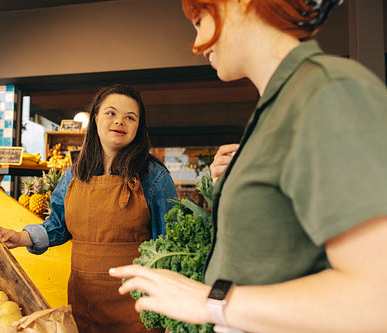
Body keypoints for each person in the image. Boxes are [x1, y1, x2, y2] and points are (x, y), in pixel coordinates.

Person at [109, 1, 387, 332]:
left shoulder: (329, 89)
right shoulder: (277, 105)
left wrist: (209, 301)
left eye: (199, 20)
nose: (196, 44)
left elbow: (376, 297)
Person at [0, 84, 177, 333]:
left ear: (138, 128)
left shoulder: (154, 177)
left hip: (138, 309)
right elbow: (57, 225)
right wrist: (21, 236)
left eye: (130, 117)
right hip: (84, 305)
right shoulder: (75, 174)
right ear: (96, 118)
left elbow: (171, 247)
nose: (120, 121)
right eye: (111, 113)